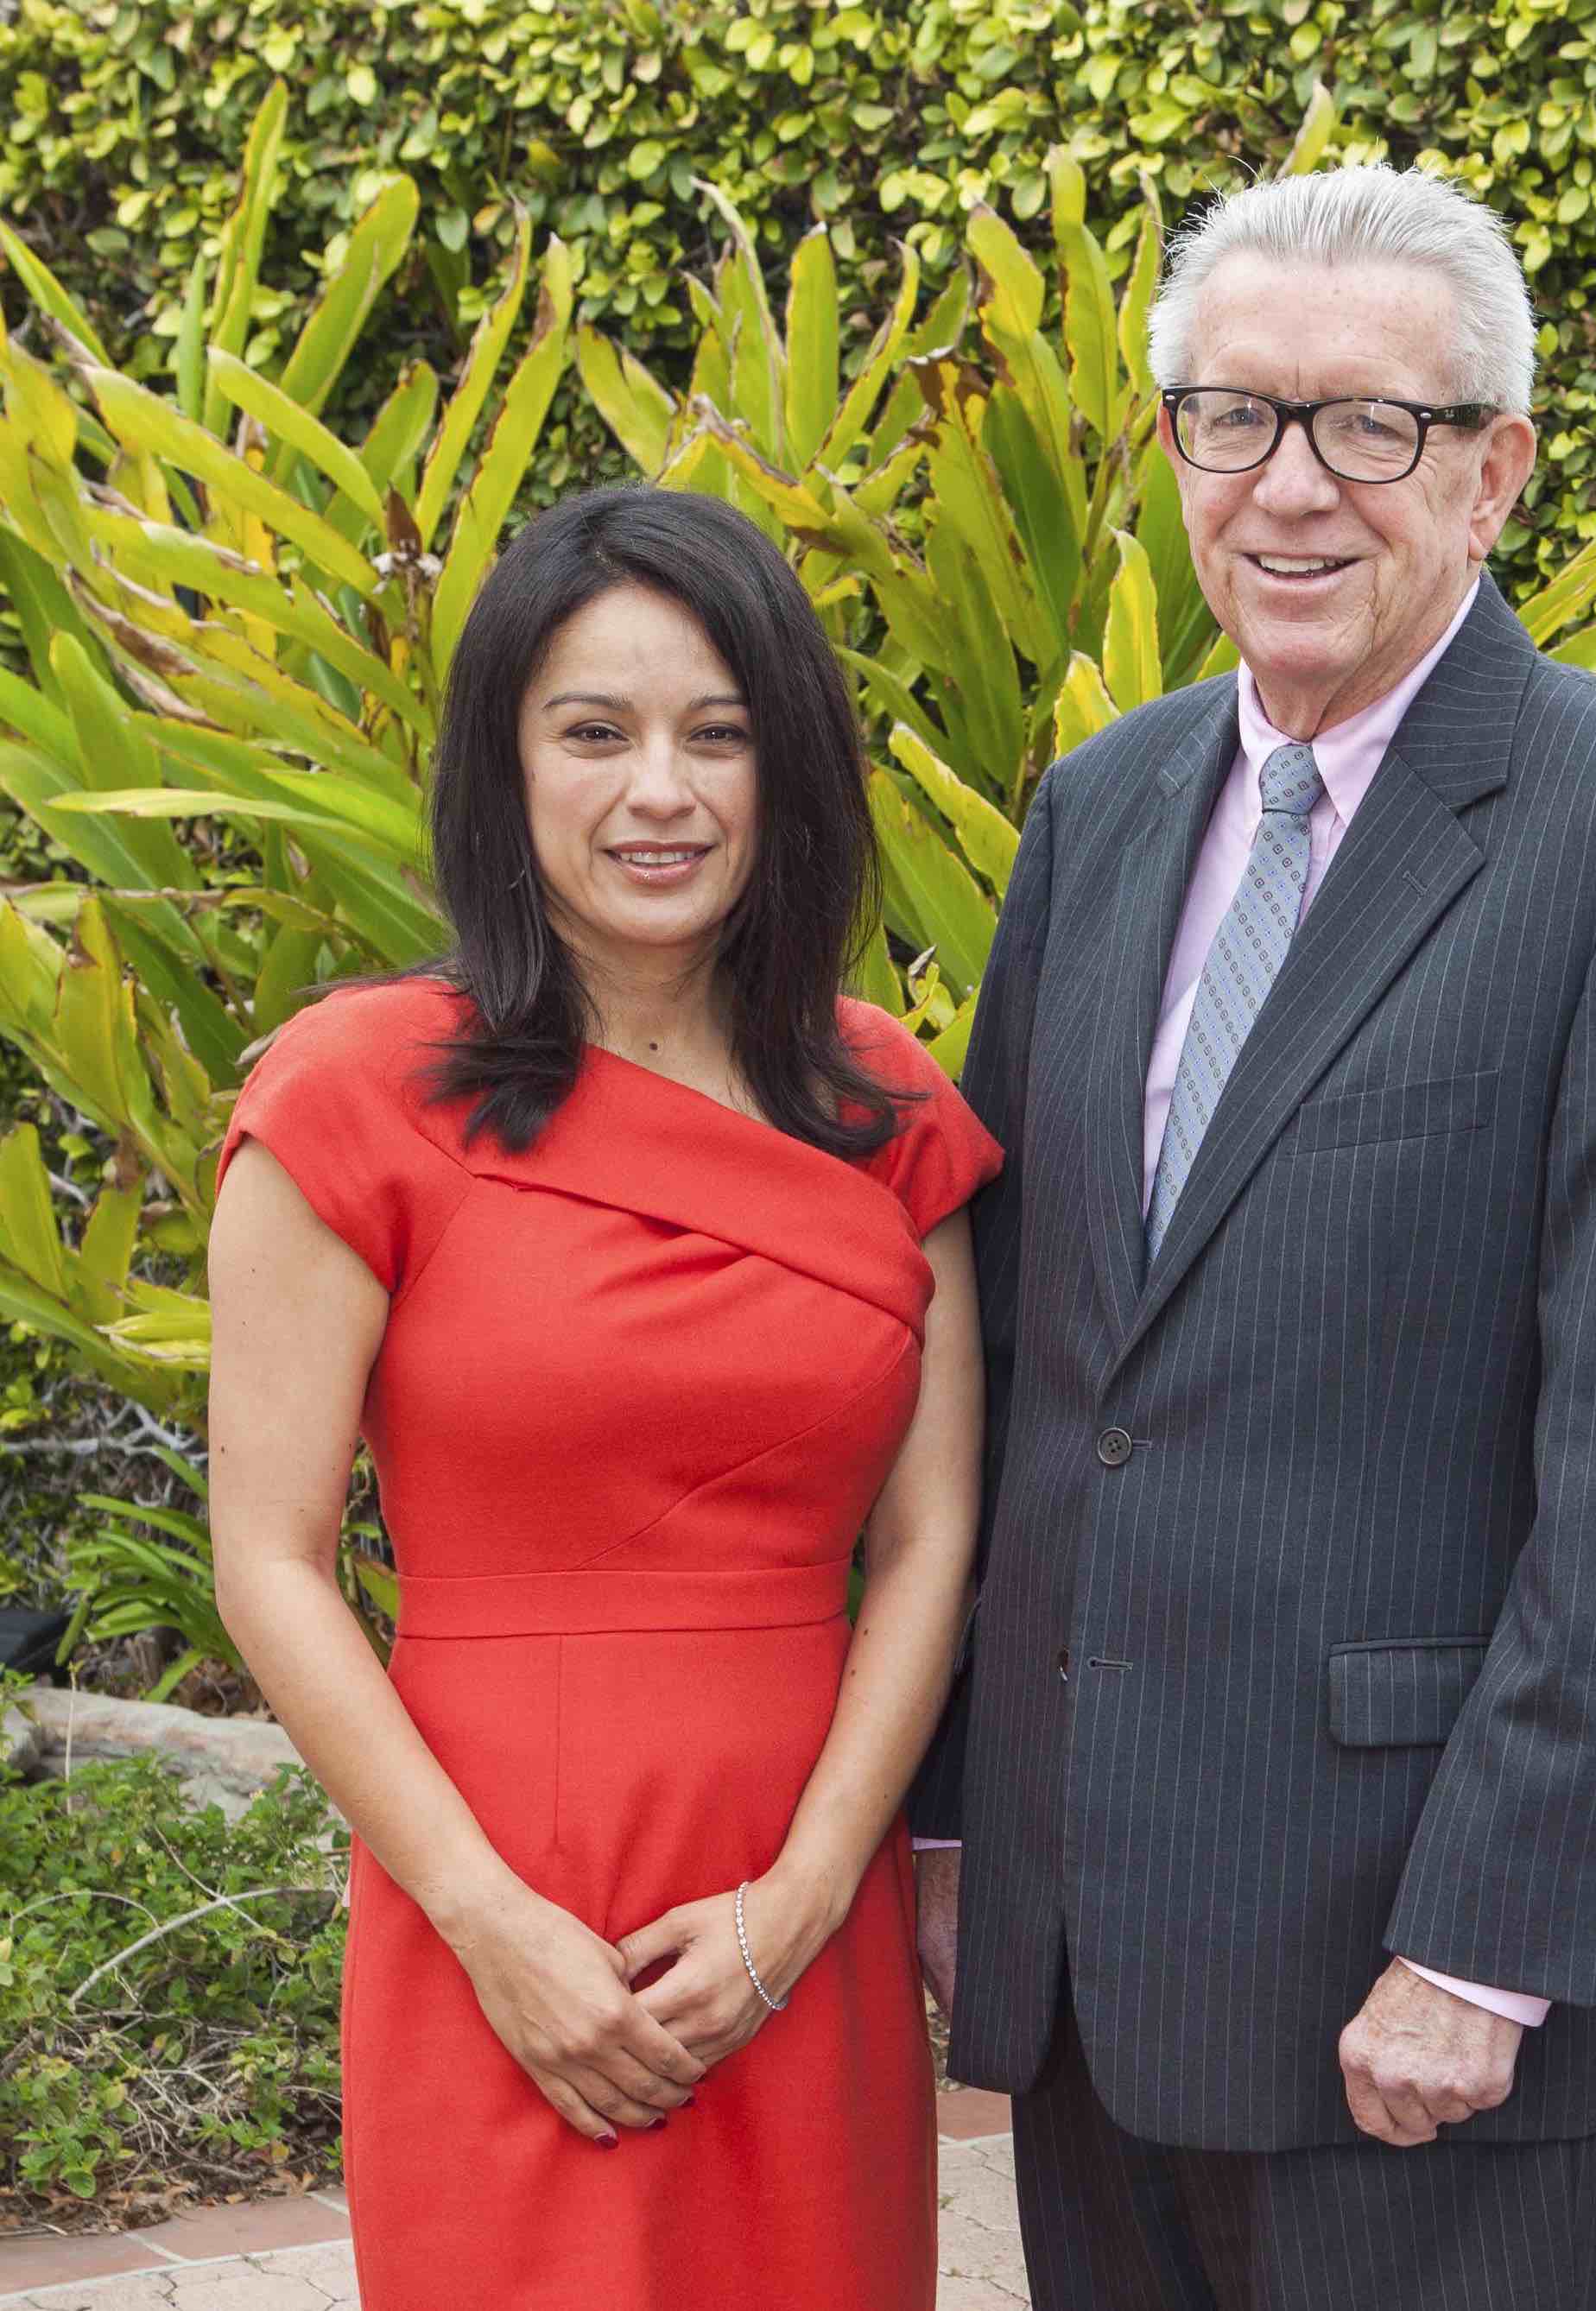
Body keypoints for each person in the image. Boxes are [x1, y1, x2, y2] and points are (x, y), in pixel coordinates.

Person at [908, 161, 1596, 2310]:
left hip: (1413, 1974)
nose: (1292, 486)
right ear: (1172, 453)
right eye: (1237, 417)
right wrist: (967, 1820)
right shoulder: (1102, 810)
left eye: (1371, 428)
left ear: (1497, 471)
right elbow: (1032, 1357)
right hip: (1092, 1942)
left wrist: (1493, 1936)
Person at [207, 485, 998, 2308]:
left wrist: (800, 1909)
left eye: (718, 734)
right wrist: (490, 1926)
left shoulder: (884, 1103)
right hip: (495, 1897)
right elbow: (270, 1559)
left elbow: (933, 1534)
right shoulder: (353, 1093)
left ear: (786, 768)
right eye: (596, 732)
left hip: (799, 1895)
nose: (664, 791)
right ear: (507, 766)